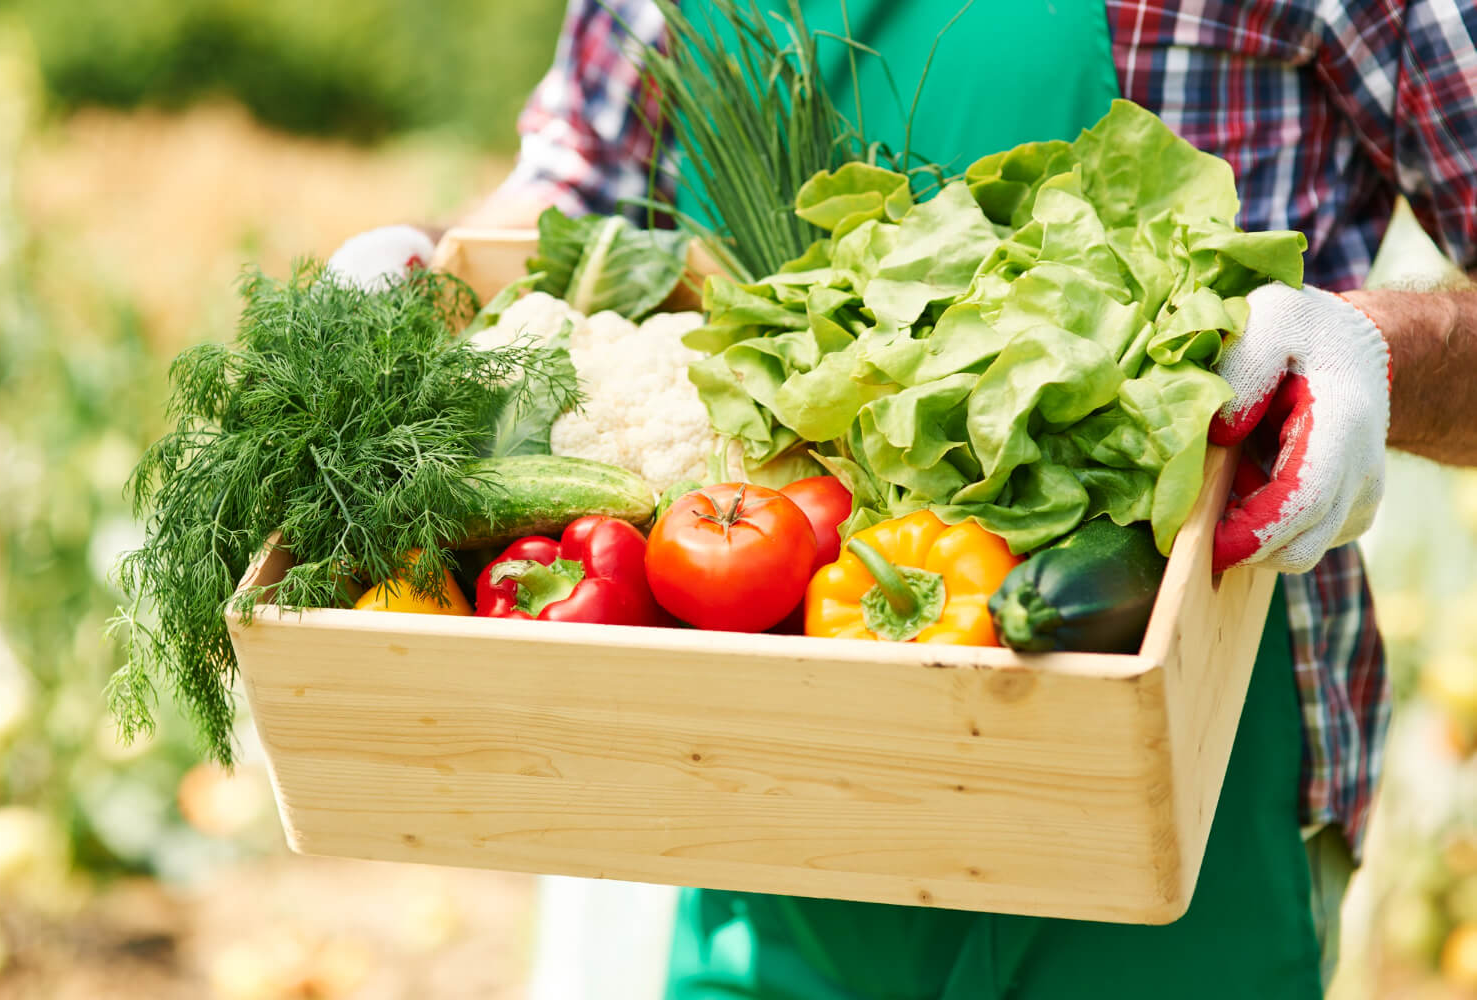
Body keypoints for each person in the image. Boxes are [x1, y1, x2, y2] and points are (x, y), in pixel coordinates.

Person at [331, 1, 1477, 996]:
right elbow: (579, 194)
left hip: (1187, 795)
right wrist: (424, 261)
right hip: (759, 810)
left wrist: (1382, 351)